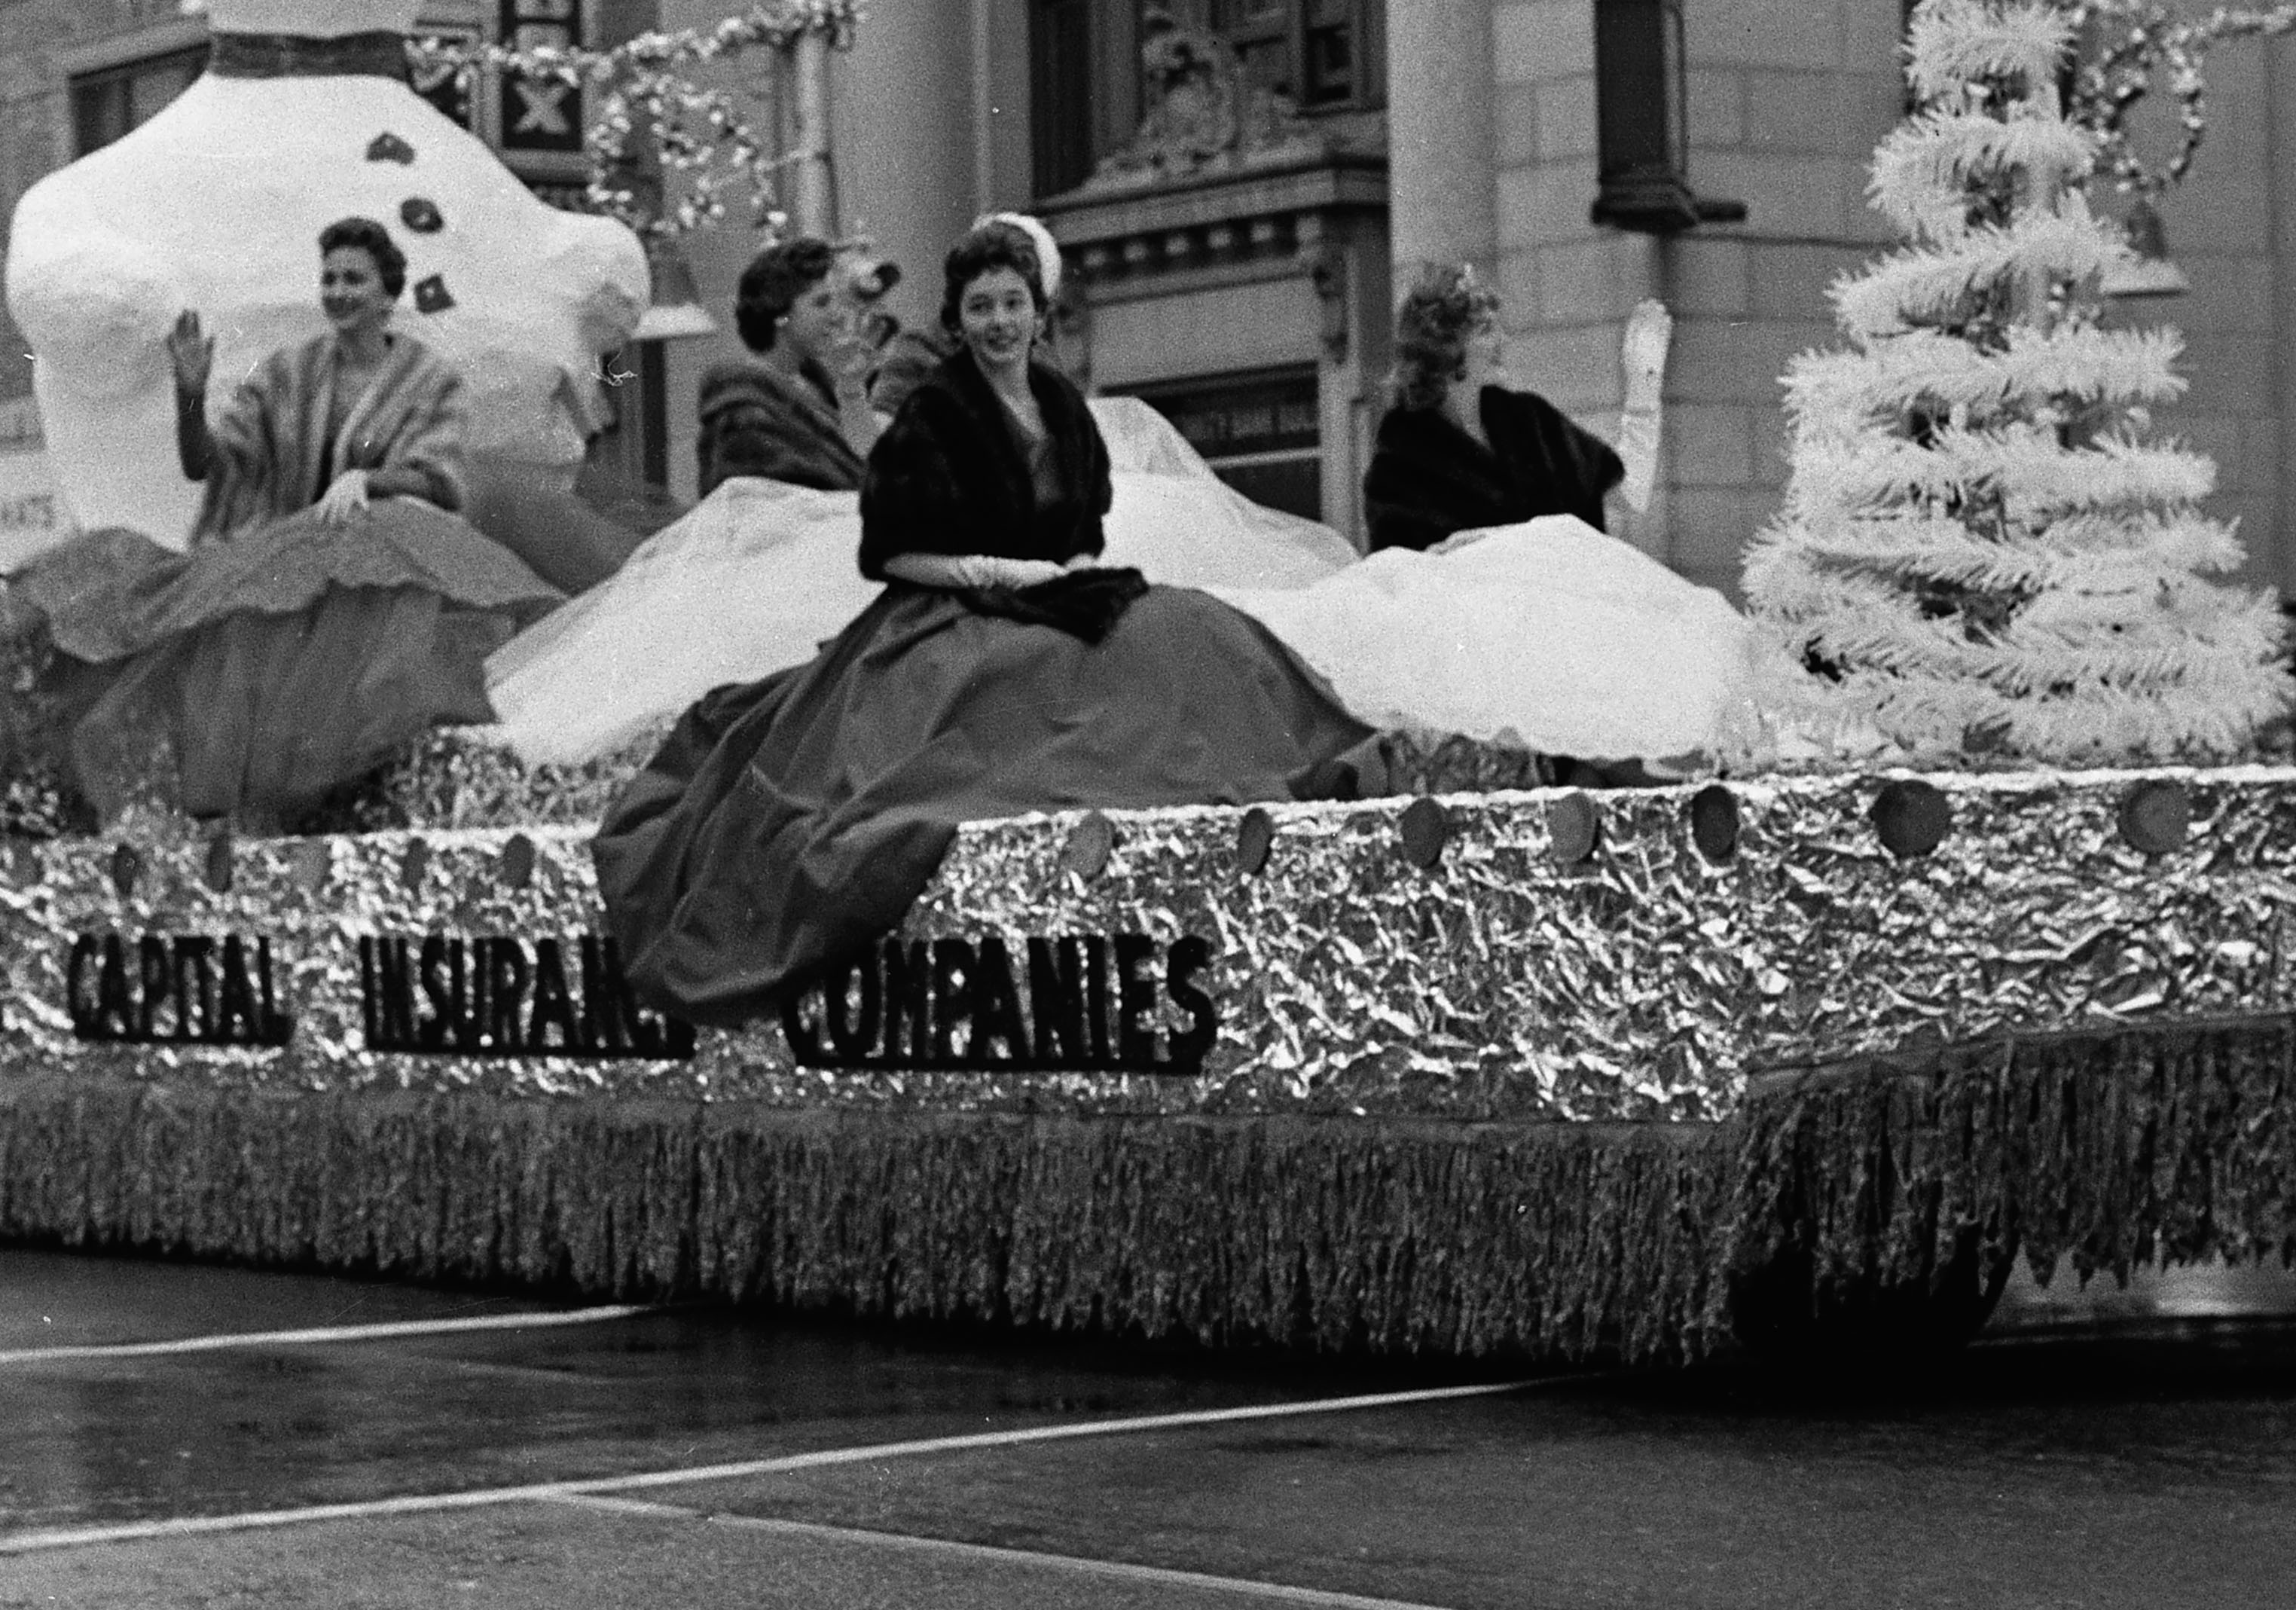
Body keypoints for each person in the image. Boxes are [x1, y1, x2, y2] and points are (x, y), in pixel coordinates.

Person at [594, 215, 1376, 1022]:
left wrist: (1063, 577)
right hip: (946, 613)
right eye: (980, 307)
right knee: (1025, 692)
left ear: (1037, 312)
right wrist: (986, 570)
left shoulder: (1062, 408)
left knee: (1193, 626)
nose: (998, 323)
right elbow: (893, 549)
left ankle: (1286, 754)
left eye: (1011, 304)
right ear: (959, 320)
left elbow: (1077, 529)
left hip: (1050, 596)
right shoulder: (937, 410)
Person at [0, 215, 572, 827]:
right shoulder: (290, 375)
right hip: (298, 560)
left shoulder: (426, 377)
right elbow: (207, 464)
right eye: (330, 279)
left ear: (388, 294)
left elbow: (443, 479)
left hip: (393, 559)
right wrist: (191, 395)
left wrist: (371, 480)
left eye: (354, 280)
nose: (337, 292)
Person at [1361, 262, 1632, 552]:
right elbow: (1401, 576)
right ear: (1445, 347)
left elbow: (1619, 499)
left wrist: (1643, 390)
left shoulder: (1533, 421)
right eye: (1486, 330)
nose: (1503, 339)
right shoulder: (1400, 464)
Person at [695, 237, 872, 497]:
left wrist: (852, 388)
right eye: (821, 303)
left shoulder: (815, 383)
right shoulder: (744, 410)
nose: (836, 315)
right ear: (781, 313)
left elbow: (872, 460)